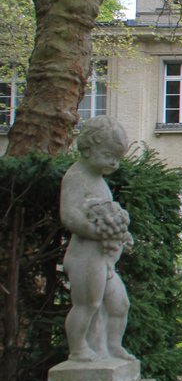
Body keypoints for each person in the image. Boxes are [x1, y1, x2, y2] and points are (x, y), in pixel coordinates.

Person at [60, 115, 136, 363]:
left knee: (119, 304)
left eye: (117, 159)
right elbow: (70, 216)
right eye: (108, 156)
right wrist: (99, 232)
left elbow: (108, 215)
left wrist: (121, 235)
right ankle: (78, 349)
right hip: (85, 256)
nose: (114, 163)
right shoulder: (76, 177)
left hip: (104, 259)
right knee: (88, 304)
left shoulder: (99, 181)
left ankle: (112, 346)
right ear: (88, 148)